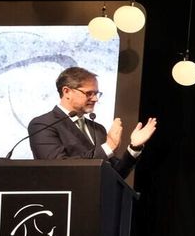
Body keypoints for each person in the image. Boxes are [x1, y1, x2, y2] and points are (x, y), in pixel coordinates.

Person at [28, 66, 157, 174]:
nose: (95, 99)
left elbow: (116, 174)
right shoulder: (43, 124)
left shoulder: (97, 129)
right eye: (89, 93)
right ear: (67, 92)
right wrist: (108, 147)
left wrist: (134, 147)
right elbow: (58, 168)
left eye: (96, 93)